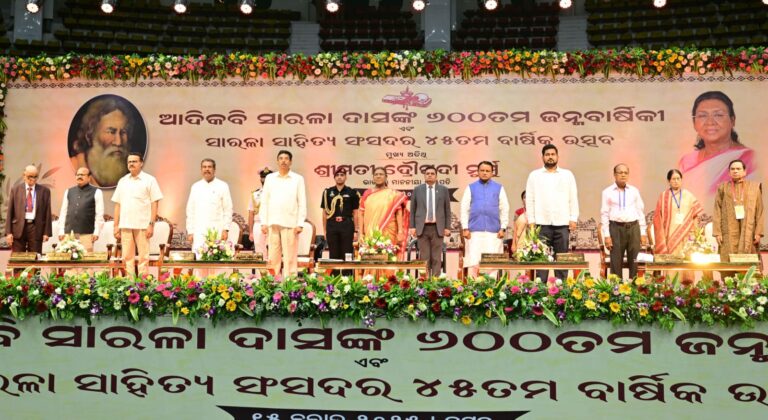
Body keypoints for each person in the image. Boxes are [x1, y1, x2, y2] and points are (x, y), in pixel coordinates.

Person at [678, 91, 756, 202]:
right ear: (694, 123)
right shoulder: (687, 162)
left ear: (732, 120)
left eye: (718, 115)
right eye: (702, 115)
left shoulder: (749, 159)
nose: (710, 122)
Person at [525, 144, 579, 281]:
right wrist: (531, 221)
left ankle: (561, 292)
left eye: (553, 154)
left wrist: (573, 218)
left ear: (558, 157)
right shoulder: (534, 175)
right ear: (542, 157)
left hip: (562, 223)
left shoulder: (567, 175)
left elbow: (573, 198)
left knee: (561, 260)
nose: (550, 157)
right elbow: (530, 199)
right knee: (541, 260)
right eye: (547, 154)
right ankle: (539, 292)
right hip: (541, 224)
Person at [112, 153, 163, 277]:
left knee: (143, 257)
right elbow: (118, 204)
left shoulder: (149, 180)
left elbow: (154, 203)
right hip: (125, 224)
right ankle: (129, 283)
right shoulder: (123, 181)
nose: (131, 164)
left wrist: (151, 224)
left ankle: (143, 284)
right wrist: (115, 225)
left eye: (134, 161)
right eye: (129, 162)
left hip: (143, 225)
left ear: (141, 163)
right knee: (127, 257)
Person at [70, 96, 136, 188]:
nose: (118, 142)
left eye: (123, 132)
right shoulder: (72, 167)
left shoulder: (133, 173)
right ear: (90, 135)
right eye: (111, 132)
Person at [260, 150, 307, 277]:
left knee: (290, 258)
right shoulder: (270, 178)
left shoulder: (298, 179)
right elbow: (264, 202)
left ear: (290, 162)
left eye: (286, 158)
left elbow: (302, 202)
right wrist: (263, 222)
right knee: (273, 257)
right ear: (277, 161)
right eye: (281, 158)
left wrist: (300, 223)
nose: (283, 161)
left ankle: (290, 287)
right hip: (273, 223)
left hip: (290, 224)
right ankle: (271, 286)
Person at [460, 161, 510, 278]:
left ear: (492, 173)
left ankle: (491, 291)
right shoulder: (471, 187)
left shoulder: (499, 188)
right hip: (474, 232)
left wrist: (503, 228)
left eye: (487, 171)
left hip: (494, 233)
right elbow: (464, 209)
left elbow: (504, 208)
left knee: (491, 263)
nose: (484, 173)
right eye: (482, 170)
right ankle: (474, 291)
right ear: (477, 172)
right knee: (474, 262)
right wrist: (465, 228)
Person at [600, 164, 648, 279]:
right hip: (616, 229)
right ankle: (617, 293)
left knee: (635, 261)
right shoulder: (607, 192)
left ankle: (635, 291)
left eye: (625, 173)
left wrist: (642, 232)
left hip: (633, 228)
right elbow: (604, 214)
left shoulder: (634, 191)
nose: (623, 175)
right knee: (616, 262)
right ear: (614, 175)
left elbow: (640, 211)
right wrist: (607, 235)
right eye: (620, 172)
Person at [713, 159, 764, 264]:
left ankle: (747, 280)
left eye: (738, 169)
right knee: (728, 256)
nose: (735, 171)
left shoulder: (754, 188)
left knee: (749, 257)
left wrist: (758, 232)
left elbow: (760, 211)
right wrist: (717, 232)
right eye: (732, 169)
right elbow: (717, 209)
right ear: (729, 172)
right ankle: (729, 280)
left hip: (749, 231)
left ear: (745, 172)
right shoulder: (722, 188)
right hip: (728, 231)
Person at [409, 165, 452, 278]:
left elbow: (447, 209)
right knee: (424, 257)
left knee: (436, 257)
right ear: (424, 176)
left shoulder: (443, 190)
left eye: (432, 173)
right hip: (422, 228)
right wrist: (412, 227)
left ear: (436, 176)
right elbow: (413, 209)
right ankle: (424, 282)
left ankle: (436, 282)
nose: (430, 175)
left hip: (438, 228)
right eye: (427, 173)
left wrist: (447, 227)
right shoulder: (418, 189)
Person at [186, 159, 233, 257]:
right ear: (201, 169)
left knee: (216, 260)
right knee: (199, 260)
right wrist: (190, 231)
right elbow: (190, 211)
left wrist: (225, 229)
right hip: (199, 231)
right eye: (204, 167)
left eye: (209, 167)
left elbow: (228, 209)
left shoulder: (223, 186)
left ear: (214, 169)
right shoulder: (195, 187)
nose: (207, 169)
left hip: (217, 229)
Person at [359, 167, 408, 259]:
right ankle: (370, 274)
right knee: (371, 256)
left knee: (388, 256)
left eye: (381, 174)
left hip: (388, 231)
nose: (378, 176)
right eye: (376, 174)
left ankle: (389, 274)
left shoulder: (393, 194)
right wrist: (361, 233)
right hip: (370, 231)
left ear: (386, 177)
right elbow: (361, 213)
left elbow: (398, 213)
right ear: (373, 178)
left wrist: (400, 231)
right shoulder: (367, 194)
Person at [652, 169, 703, 256]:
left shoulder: (688, 195)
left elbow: (695, 216)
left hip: (686, 234)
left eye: (678, 179)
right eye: (673, 179)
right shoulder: (664, 196)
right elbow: (657, 217)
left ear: (681, 180)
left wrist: (695, 233)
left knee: (686, 260)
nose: (676, 181)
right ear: (669, 181)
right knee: (672, 261)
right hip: (670, 235)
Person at [5, 165, 52, 253]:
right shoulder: (15, 189)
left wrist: (46, 232)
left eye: (35, 177)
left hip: (35, 227)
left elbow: (47, 212)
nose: (33, 179)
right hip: (18, 228)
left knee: (35, 257)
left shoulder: (44, 191)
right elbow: (10, 212)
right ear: (24, 176)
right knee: (18, 259)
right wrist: (8, 232)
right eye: (30, 176)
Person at [321, 168, 360, 273]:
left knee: (347, 253)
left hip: (347, 225)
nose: (339, 177)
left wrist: (356, 230)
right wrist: (324, 230)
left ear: (346, 177)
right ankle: (334, 282)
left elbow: (356, 213)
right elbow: (324, 213)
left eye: (342, 175)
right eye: (337, 175)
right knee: (333, 254)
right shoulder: (327, 192)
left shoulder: (352, 192)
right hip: (332, 225)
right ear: (334, 177)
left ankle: (347, 281)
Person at [58, 167, 105, 252]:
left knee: (86, 260)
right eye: (78, 175)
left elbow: (99, 214)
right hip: (69, 233)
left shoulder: (97, 192)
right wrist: (61, 230)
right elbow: (63, 212)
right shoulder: (69, 191)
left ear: (89, 177)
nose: (79, 176)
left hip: (87, 233)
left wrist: (96, 231)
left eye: (82, 175)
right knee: (68, 260)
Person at [247, 167, 272, 257]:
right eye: (263, 177)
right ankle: (260, 271)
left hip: (272, 224)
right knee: (259, 251)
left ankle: (273, 271)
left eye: (267, 177)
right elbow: (251, 213)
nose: (265, 179)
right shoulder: (255, 194)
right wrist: (250, 232)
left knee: (273, 251)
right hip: (258, 224)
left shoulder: (276, 192)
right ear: (260, 178)